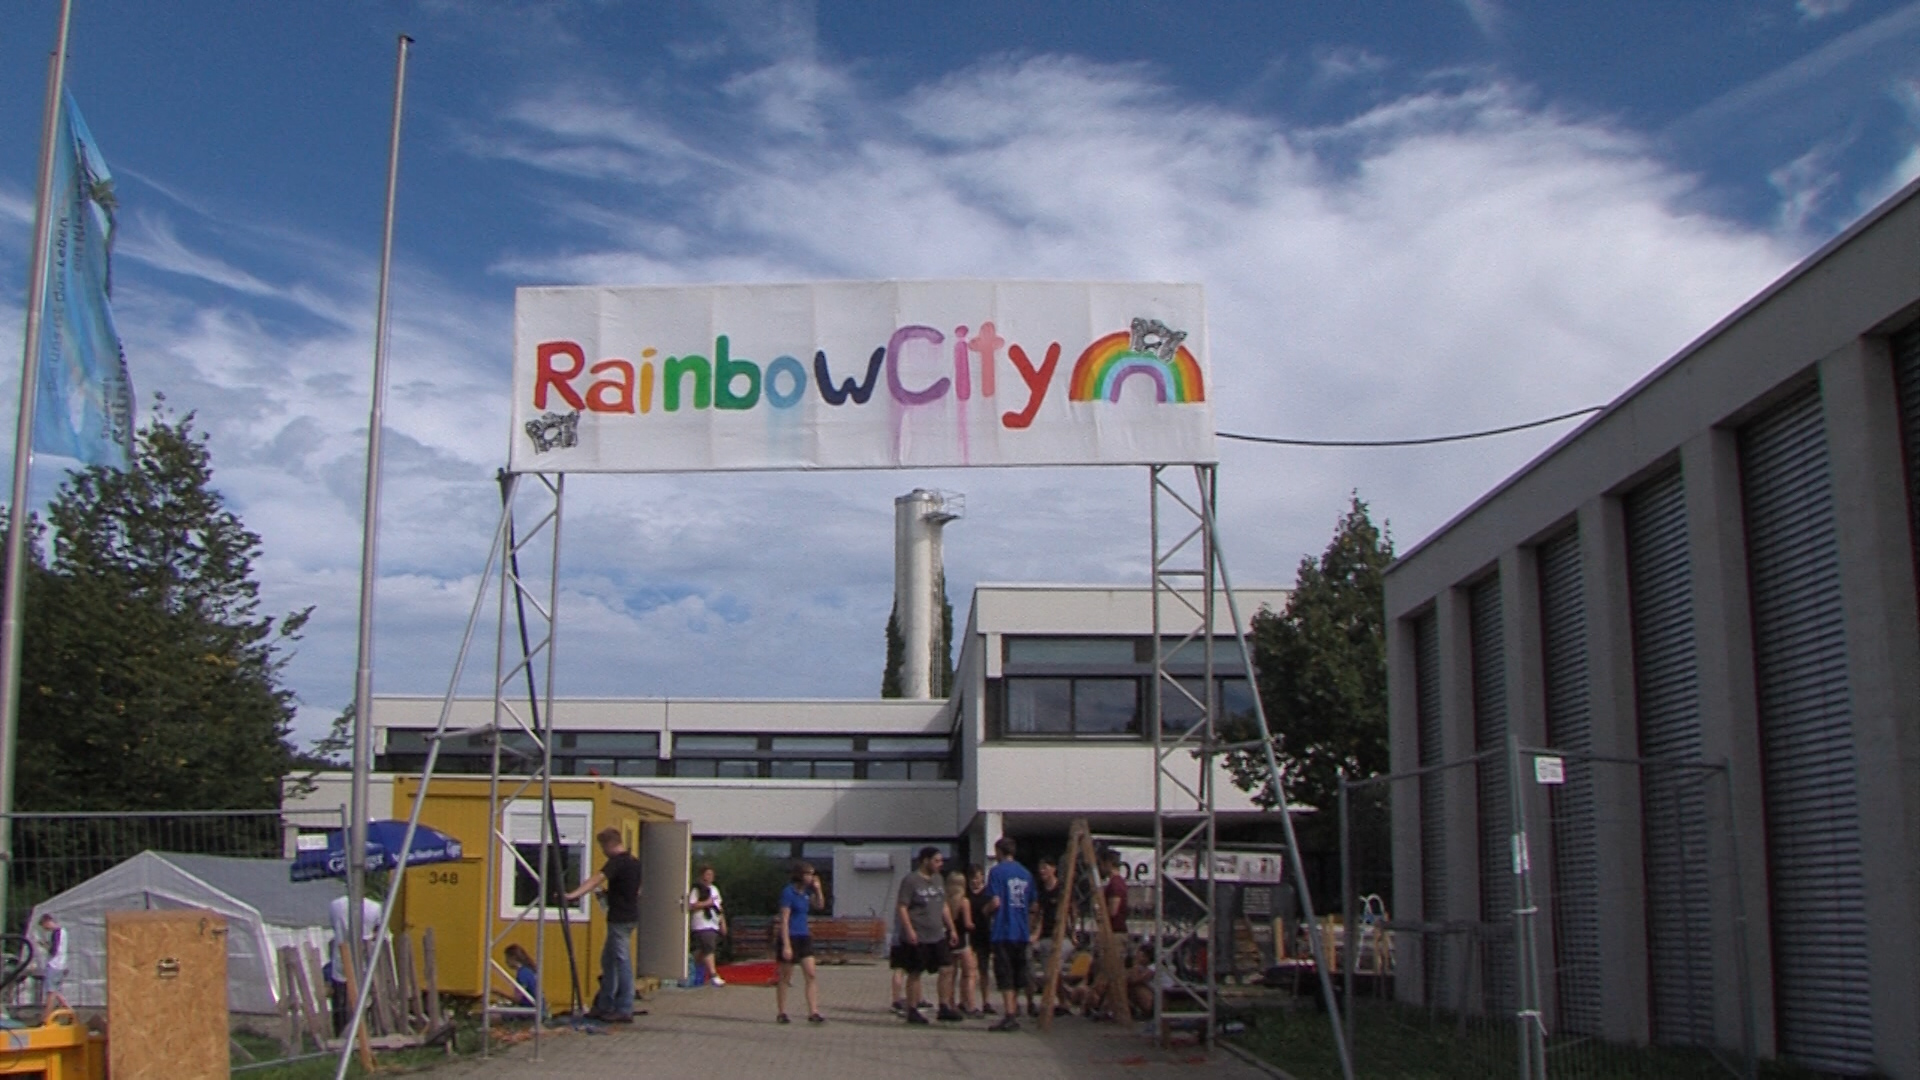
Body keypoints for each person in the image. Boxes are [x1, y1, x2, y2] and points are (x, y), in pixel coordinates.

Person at [563, 826, 643, 1023]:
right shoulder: (634, 863)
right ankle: (605, 1003)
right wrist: (609, 895)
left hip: (619, 919)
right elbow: (635, 890)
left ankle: (624, 1007)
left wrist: (572, 895)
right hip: (630, 915)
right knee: (608, 960)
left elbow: (597, 878)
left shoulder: (617, 862)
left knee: (621, 961)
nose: (602, 851)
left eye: (602, 847)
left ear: (609, 844)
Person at [894, 846, 958, 1025]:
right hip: (918, 934)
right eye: (936, 861)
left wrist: (952, 928)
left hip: (937, 934)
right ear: (925, 861)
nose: (940, 864)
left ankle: (944, 1006)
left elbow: (943, 905)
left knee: (947, 968)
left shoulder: (938, 880)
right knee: (915, 972)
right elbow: (902, 907)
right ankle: (913, 1009)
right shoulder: (911, 881)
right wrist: (909, 930)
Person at [983, 836, 1036, 1032]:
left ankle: (1010, 1014)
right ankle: (1016, 1008)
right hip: (1021, 931)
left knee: (1005, 974)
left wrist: (986, 911)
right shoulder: (1026, 873)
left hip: (1003, 930)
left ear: (999, 852)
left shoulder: (997, 872)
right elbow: (1033, 904)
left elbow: (995, 901)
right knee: (1017, 973)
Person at [775, 861, 826, 1024]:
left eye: (812, 874)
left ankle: (813, 1011)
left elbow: (820, 905)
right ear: (800, 875)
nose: (811, 877)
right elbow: (784, 919)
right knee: (785, 976)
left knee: (811, 973)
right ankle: (782, 1012)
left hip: (804, 936)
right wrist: (787, 945)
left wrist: (818, 890)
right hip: (790, 935)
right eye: (808, 874)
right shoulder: (788, 892)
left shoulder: (807, 892)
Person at [326, 893, 383, 1035]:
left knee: (341, 997)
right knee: (365, 997)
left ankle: (341, 1031)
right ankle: (364, 1030)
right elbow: (378, 932)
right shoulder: (375, 907)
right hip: (365, 958)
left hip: (341, 955)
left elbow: (334, 926)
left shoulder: (335, 905)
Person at [1026, 856, 1073, 1018]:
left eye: (1045, 867)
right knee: (1050, 970)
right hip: (1045, 937)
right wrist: (1034, 933)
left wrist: (1073, 933)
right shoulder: (1041, 890)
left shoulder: (1061, 889)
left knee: (1052, 971)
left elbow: (1071, 913)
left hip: (1062, 937)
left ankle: (1049, 1004)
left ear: (1053, 869)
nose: (1042, 871)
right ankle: (1064, 1001)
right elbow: (1040, 914)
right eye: (1040, 868)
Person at [946, 869, 979, 1016]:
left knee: (951, 975)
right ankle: (969, 1004)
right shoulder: (964, 901)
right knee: (969, 974)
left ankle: (950, 1003)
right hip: (963, 941)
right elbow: (968, 924)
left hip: (949, 940)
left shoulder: (945, 901)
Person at [688, 864, 727, 987]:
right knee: (708, 946)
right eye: (707, 874)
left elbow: (719, 907)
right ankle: (713, 974)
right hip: (701, 923)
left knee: (704, 949)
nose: (709, 877)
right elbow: (692, 905)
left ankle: (694, 969)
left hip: (713, 922)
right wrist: (706, 903)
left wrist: (722, 922)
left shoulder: (714, 889)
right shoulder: (697, 889)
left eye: (711, 875)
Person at [1098, 848, 1129, 939]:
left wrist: (1101, 913)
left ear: (1108, 863)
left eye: (1101, 864)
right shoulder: (1117, 882)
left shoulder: (1115, 883)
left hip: (1115, 933)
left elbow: (1113, 910)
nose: (1100, 867)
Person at [36, 913, 67, 1003]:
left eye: (44, 926)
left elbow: (54, 950)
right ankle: (72, 1013)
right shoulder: (63, 931)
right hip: (61, 964)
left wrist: (44, 945)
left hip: (54, 965)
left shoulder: (56, 933)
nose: (45, 929)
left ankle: (47, 1015)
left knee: (51, 992)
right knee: (56, 991)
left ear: (47, 922)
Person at [504, 943, 541, 1012]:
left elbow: (517, 999)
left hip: (530, 1011)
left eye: (507, 958)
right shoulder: (529, 971)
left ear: (513, 958)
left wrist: (498, 992)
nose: (506, 961)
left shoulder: (522, 974)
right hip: (536, 1009)